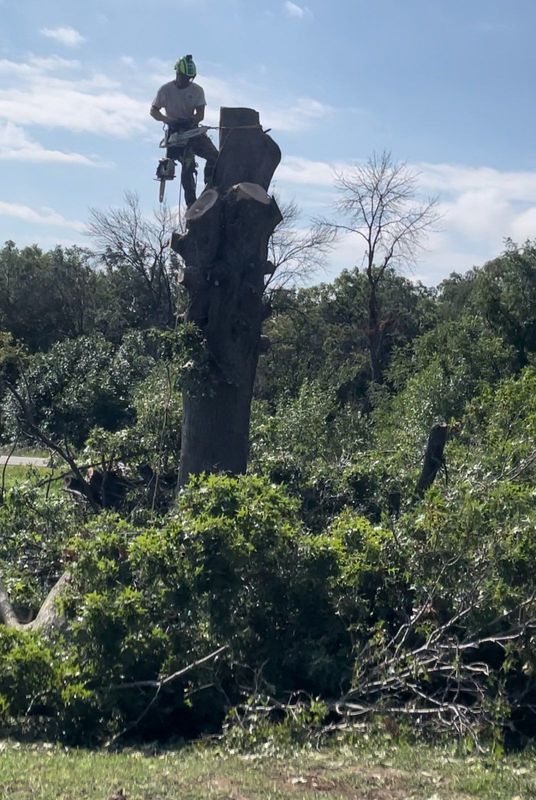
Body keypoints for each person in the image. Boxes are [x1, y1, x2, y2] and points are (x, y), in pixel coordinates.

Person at [150, 55, 218, 207]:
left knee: (215, 156)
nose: (186, 81)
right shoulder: (166, 90)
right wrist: (168, 120)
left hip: (192, 131)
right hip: (175, 134)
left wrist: (192, 120)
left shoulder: (197, 91)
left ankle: (211, 186)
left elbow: (200, 114)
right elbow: (153, 111)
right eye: (184, 77)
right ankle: (191, 204)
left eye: (189, 78)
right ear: (177, 74)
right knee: (188, 165)